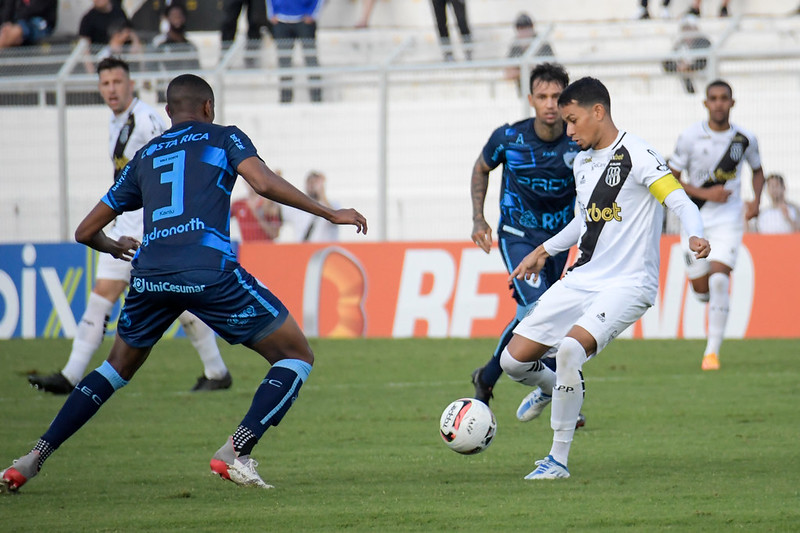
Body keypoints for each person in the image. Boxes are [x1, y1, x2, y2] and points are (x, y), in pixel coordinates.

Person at [0, 73, 368, 494]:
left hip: (151, 273)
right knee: (296, 354)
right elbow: (263, 183)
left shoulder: (145, 155)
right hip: (207, 269)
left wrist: (113, 243)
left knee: (114, 368)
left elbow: (85, 231)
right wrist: (328, 213)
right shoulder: (224, 138)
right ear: (209, 108)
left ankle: (32, 459)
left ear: (169, 113)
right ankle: (236, 450)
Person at [498, 76, 709, 480]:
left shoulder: (639, 153)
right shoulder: (582, 162)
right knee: (513, 361)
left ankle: (557, 460)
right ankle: (550, 389)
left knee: (569, 353)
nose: (569, 131)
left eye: (573, 120)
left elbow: (678, 199)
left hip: (629, 284)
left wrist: (695, 232)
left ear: (598, 112)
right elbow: (584, 219)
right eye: (565, 123)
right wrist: (544, 251)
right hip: (582, 279)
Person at [27, 57, 233, 395]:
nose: (112, 89)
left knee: (175, 300)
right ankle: (71, 375)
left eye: (117, 82)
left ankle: (216, 371)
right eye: (105, 83)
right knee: (103, 296)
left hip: (152, 227)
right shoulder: (116, 121)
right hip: (125, 225)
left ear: (130, 84)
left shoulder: (147, 120)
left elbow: (175, 156)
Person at [469, 62, 585, 428]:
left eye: (557, 96)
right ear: (530, 99)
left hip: (556, 245)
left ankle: (487, 376)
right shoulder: (509, 138)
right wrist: (478, 218)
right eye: (542, 96)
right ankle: (558, 389)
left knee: (530, 315)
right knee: (540, 308)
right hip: (518, 237)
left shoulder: (579, 143)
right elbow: (481, 167)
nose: (550, 104)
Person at [669, 79, 763, 371]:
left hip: (729, 219)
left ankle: (711, 353)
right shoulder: (689, 137)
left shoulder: (745, 139)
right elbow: (670, 177)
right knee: (702, 288)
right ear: (706, 103)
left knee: (720, 279)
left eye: (724, 98)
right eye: (714, 98)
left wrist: (756, 201)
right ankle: (708, 296)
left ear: (732, 103)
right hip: (695, 218)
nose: (719, 103)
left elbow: (758, 171)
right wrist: (705, 193)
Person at [269, 0, 325, 103]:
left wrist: (312, 14)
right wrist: (272, 13)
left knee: (311, 59)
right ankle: (285, 99)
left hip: (304, 20)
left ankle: (316, 98)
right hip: (281, 20)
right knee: (284, 62)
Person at [281, 170, 340, 241]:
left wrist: (321, 193)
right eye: (309, 182)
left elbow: (335, 217)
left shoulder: (332, 204)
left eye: (315, 182)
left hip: (324, 250)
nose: (312, 185)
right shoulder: (298, 206)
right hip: (304, 250)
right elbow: (275, 213)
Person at [661, 14, 711, 94]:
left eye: (689, 28)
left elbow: (704, 61)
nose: (687, 32)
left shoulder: (704, 42)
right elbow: (667, 62)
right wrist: (679, 67)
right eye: (685, 29)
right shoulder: (680, 44)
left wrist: (689, 67)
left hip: (701, 76)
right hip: (685, 75)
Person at [504, 13, 554, 92]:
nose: (524, 31)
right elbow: (508, 74)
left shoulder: (542, 44)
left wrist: (523, 68)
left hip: (544, 91)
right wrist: (526, 69)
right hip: (525, 93)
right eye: (520, 28)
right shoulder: (516, 46)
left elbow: (551, 70)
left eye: (526, 27)